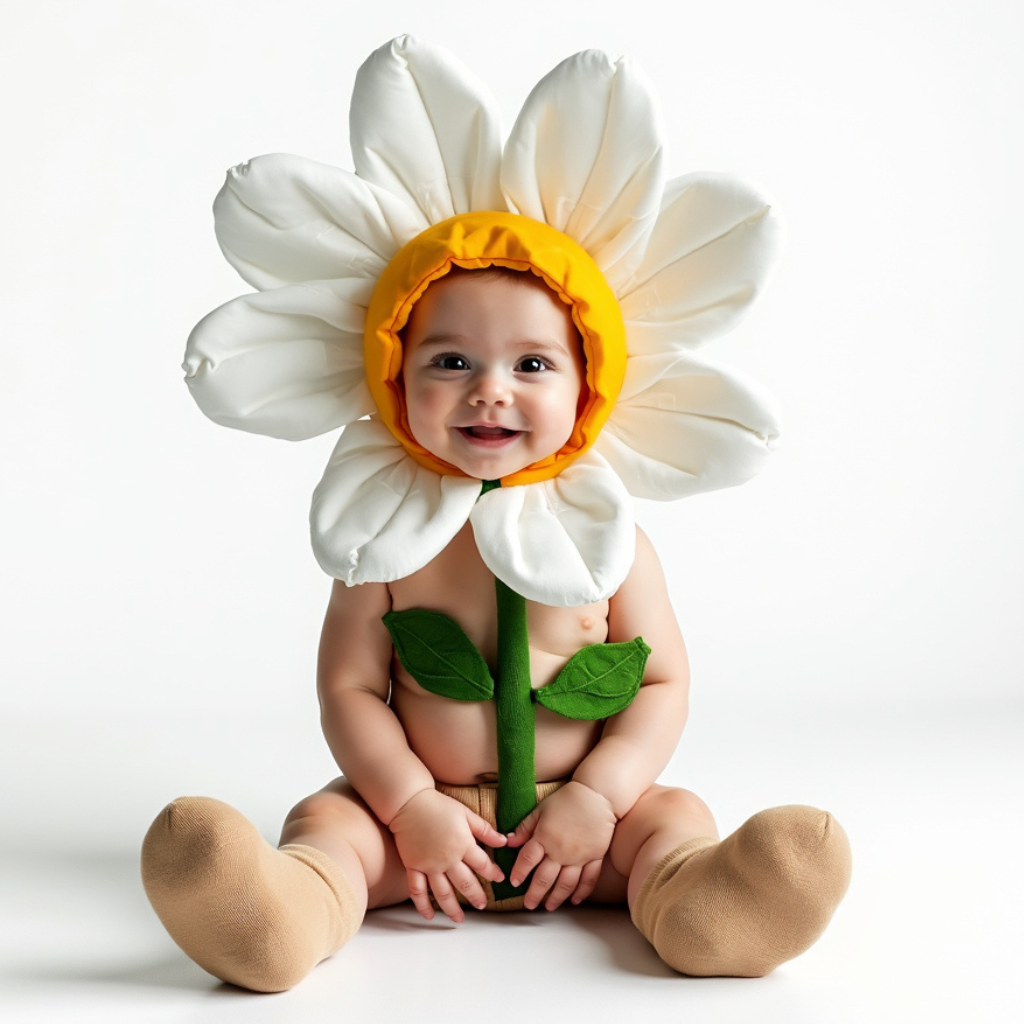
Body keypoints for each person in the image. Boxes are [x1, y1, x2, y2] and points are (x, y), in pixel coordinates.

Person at [142, 264, 851, 993]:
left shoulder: (613, 544)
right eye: (450, 361)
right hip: (420, 838)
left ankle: (705, 905)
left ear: (588, 385)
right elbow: (348, 689)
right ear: (394, 378)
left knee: (671, 814)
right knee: (331, 821)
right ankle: (284, 914)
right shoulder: (381, 541)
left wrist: (602, 796)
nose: (489, 388)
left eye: (533, 363)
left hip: (584, 833)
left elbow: (663, 680)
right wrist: (408, 804)